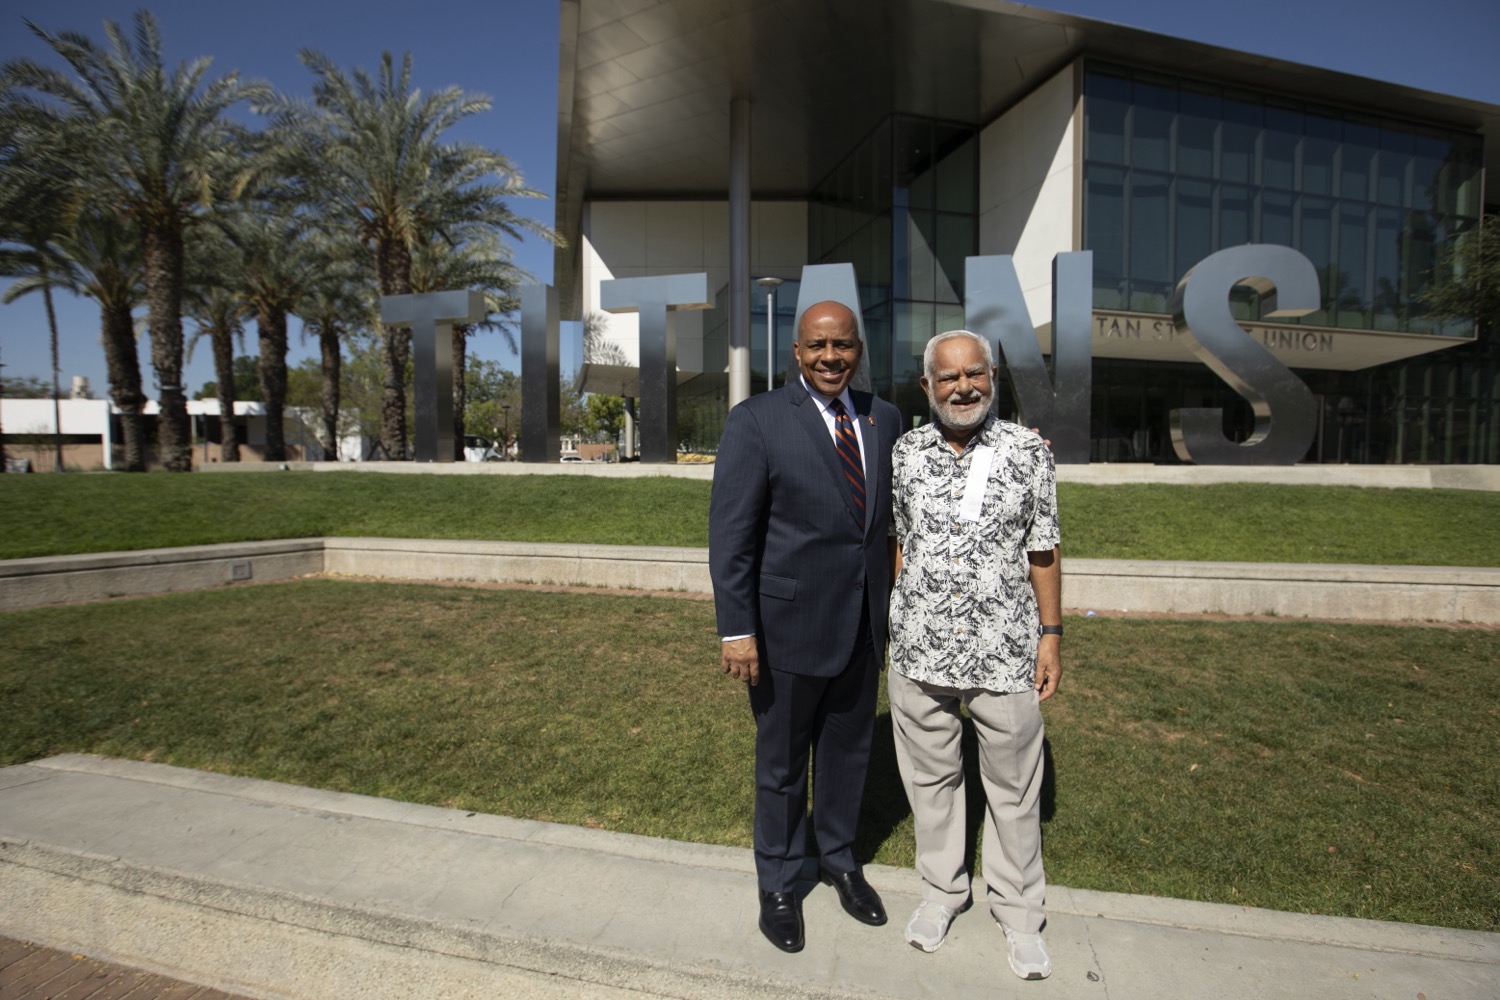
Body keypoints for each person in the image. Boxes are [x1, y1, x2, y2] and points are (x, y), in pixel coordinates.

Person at [708, 300, 903, 953]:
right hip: (785, 632)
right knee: (783, 765)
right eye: (817, 346)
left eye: (842, 345)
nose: (830, 357)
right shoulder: (756, 420)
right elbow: (731, 537)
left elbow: (890, 519)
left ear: (857, 351)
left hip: (863, 627)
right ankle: (781, 883)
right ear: (796, 352)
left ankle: (839, 861)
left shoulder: (883, 417)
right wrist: (737, 628)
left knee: (849, 756)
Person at [887, 329, 1062, 980]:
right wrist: (899, 614)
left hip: (1004, 649)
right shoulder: (905, 453)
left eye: (974, 374)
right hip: (919, 650)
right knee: (931, 783)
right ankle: (942, 893)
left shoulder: (1027, 452)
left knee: (1014, 789)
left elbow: (1043, 547)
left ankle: (1019, 913)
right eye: (948, 377)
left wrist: (1051, 634)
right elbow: (898, 540)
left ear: (992, 377)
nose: (963, 387)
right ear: (927, 386)